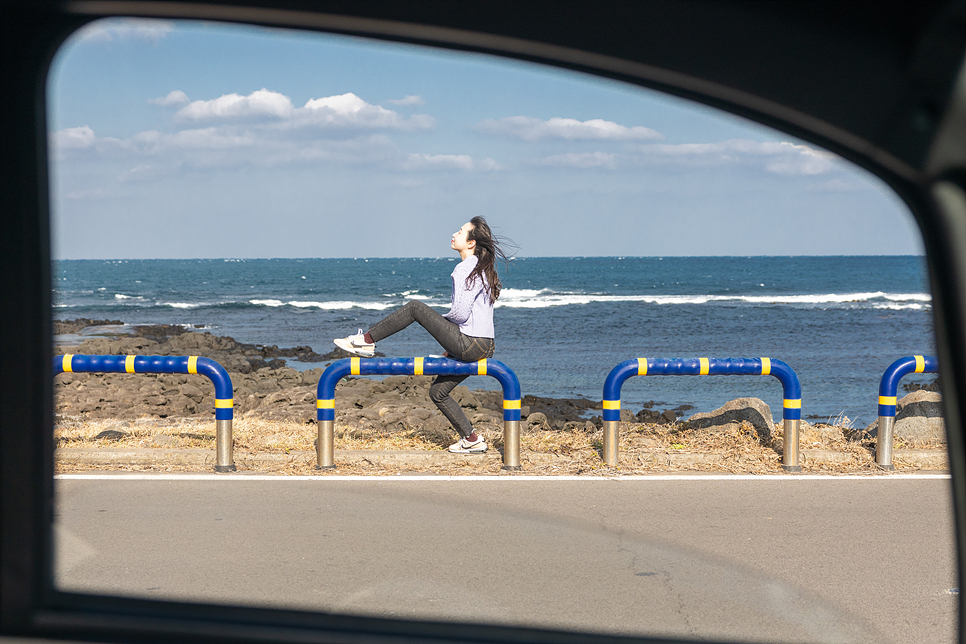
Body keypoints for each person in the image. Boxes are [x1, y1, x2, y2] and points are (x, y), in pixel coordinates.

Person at [334, 217, 510, 454]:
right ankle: (471, 439)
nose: (454, 233)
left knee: (415, 308)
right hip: (484, 345)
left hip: (470, 343)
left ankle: (366, 341)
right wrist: (452, 340)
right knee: (437, 392)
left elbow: (460, 312)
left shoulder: (465, 268)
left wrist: (447, 332)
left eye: (460, 231)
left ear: (471, 243)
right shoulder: (481, 269)